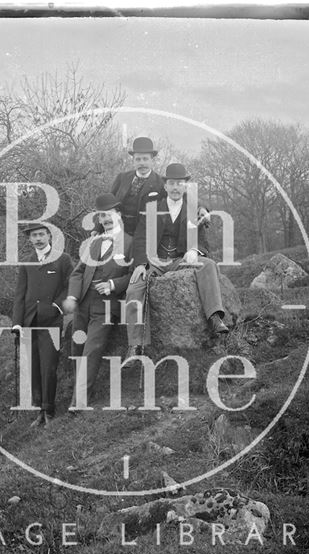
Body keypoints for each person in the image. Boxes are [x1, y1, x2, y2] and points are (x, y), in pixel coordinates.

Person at [123, 162, 229, 363]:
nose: (175, 188)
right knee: (134, 288)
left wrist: (193, 250)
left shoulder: (193, 209)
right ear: (165, 186)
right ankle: (136, 344)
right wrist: (140, 263)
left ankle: (215, 317)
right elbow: (140, 238)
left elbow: (201, 236)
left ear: (185, 186)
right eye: (171, 183)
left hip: (179, 260)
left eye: (179, 184)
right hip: (155, 260)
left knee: (208, 265)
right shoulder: (152, 209)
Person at [63, 194, 133, 408]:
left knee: (92, 349)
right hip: (82, 304)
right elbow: (78, 272)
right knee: (77, 348)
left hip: (106, 307)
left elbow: (134, 274)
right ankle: (80, 392)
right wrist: (73, 296)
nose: (105, 219)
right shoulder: (93, 241)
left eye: (109, 214)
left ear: (118, 214)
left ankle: (80, 401)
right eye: (102, 215)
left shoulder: (131, 242)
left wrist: (113, 285)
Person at [11, 223, 73, 427]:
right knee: (34, 368)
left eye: (41, 234)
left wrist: (57, 306)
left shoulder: (62, 259)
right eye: (34, 235)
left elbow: (70, 286)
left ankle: (49, 411)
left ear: (49, 236)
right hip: (30, 322)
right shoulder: (27, 262)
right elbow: (20, 295)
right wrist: (17, 323)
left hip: (51, 322)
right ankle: (39, 410)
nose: (38, 238)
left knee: (49, 367)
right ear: (30, 239)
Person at [110, 136, 166, 236]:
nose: (142, 163)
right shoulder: (122, 178)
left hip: (143, 237)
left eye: (145, 159)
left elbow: (180, 197)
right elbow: (108, 203)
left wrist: (201, 208)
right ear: (133, 160)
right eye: (138, 159)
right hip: (118, 233)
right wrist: (97, 228)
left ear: (152, 160)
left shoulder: (161, 183)